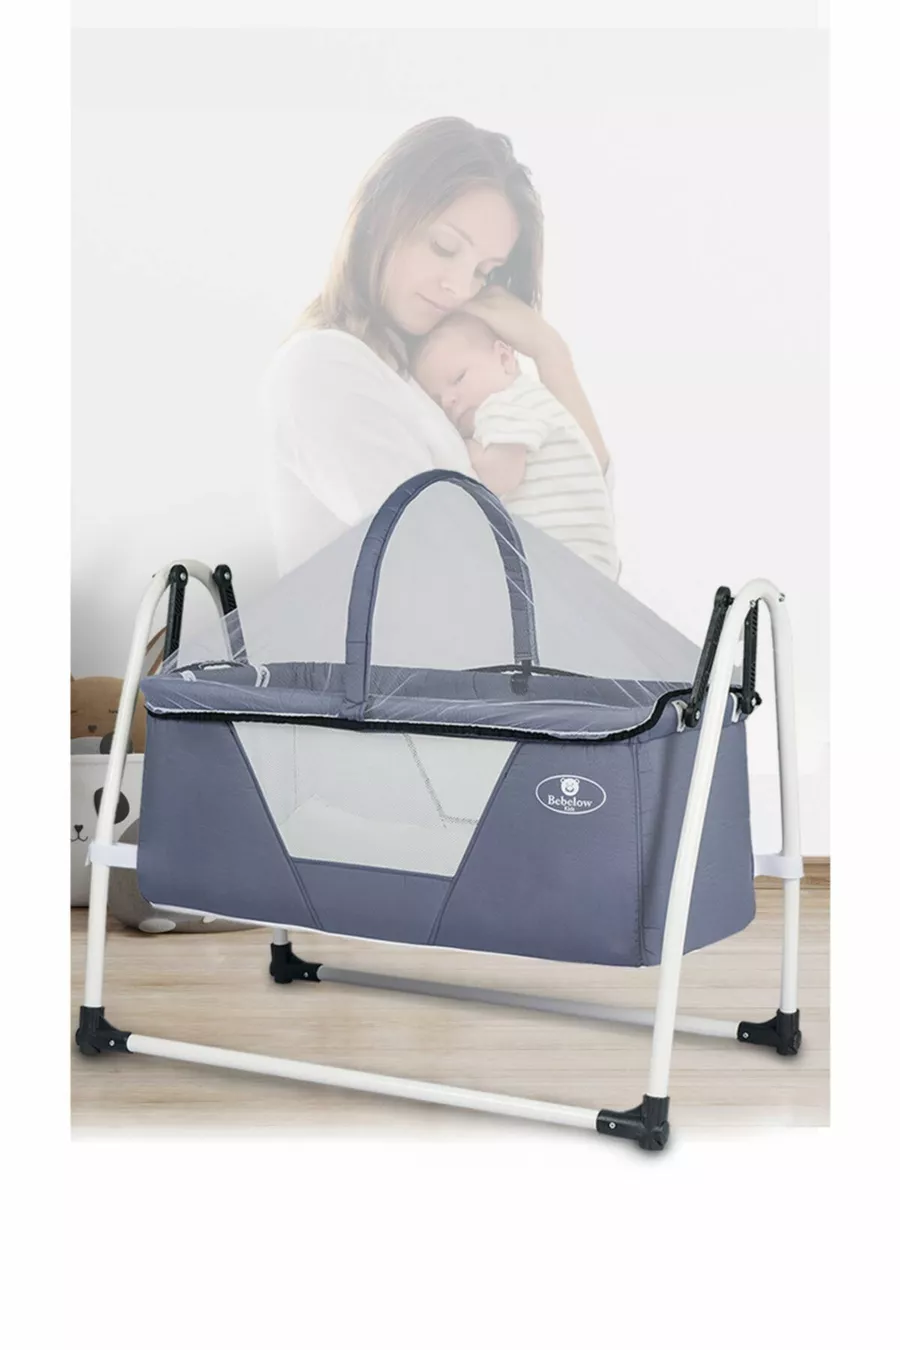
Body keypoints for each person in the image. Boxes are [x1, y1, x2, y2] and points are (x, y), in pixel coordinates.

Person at [260, 116, 614, 576]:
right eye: (445, 247)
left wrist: (552, 355)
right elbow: (444, 564)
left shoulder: (433, 385)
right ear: (383, 215)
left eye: (484, 272)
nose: (460, 288)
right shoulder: (325, 366)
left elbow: (588, 530)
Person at [411, 310, 620, 581]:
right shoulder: (525, 402)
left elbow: (501, 474)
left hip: (567, 559)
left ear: (504, 359)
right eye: (438, 400)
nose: (449, 400)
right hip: (583, 563)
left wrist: (455, 447)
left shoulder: (504, 404)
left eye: (459, 378)